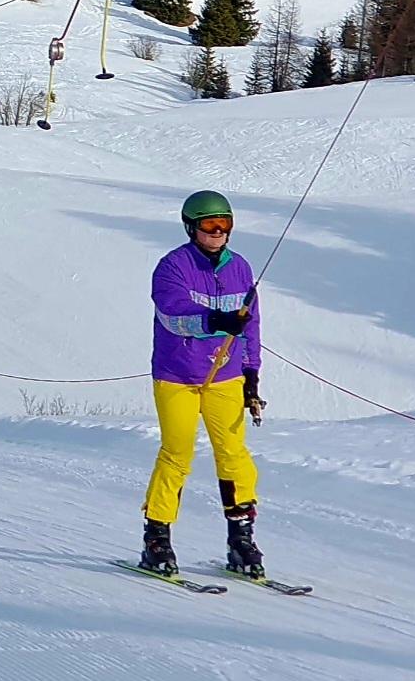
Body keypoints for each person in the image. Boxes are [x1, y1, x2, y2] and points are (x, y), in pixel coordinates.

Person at [140, 189, 266, 579]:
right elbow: (172, 315)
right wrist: (214, 320)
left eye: (224, 225)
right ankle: (157, 537)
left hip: (225, 377)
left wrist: (251, 373)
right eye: (210, 226)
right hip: (177, 376)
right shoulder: (172, 267)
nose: (218, 233)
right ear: (191, 228)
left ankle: (240, 539)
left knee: (234, 454)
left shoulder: (240, 268)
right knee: (177, 455)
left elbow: (252, 324)